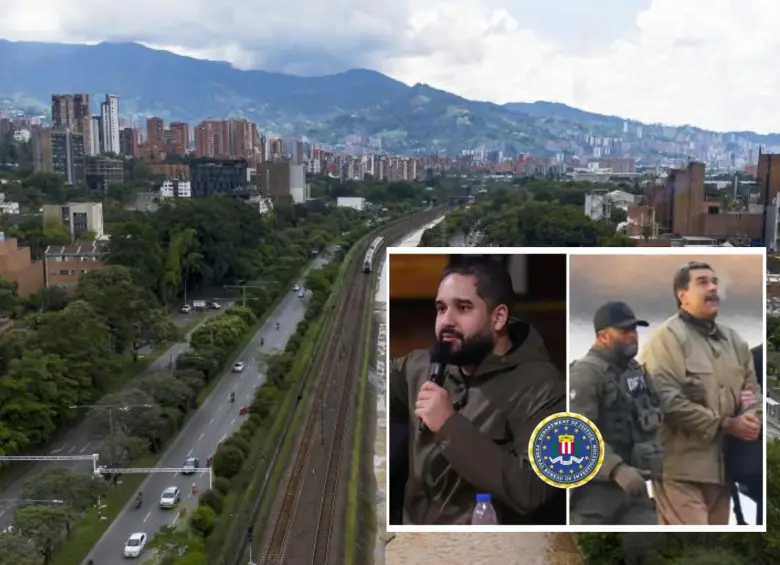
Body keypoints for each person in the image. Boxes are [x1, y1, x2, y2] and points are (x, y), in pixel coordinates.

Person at [389, 255, 566, 525]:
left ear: (498, 318)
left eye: (463, 308)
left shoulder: (542, 387)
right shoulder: (420, 366)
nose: (446, 321)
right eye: (440, 308)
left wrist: (449, 425)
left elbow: (532, 490)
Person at [641, 261, 762, 525]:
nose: (712, 288)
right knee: (692, 546)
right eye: (703, 282)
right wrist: (727, 424)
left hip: (724, 470)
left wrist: (751, 420)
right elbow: (666, 400)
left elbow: (753, 393)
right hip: (679, 469)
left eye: (714, 282)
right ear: (681, 295)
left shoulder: (735, 341)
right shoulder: (667, 339)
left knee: (715, 547)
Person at [569, 301, 662, 525]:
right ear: (603, 336)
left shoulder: (635, 372)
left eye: (634, 330)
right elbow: (575, 437)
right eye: (624, 331)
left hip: (636, 492)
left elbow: (656, 414)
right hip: (595, 497)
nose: (633, 336)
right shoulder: (585, 374)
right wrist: (616, 470)